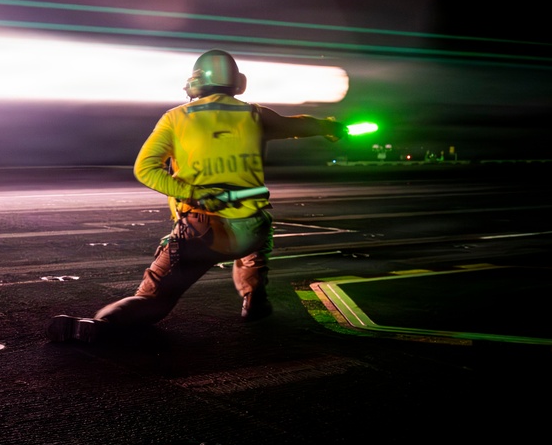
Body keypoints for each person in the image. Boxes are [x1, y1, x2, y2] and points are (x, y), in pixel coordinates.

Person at [47, 49, 347, 342]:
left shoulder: (176, 118)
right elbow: (301, 125)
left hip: (202, 231)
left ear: (195, 83)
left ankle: (100, 325)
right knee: (256, 236)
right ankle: (255, 298)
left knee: (151, 301)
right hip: (252, 229)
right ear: (237, 83)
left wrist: (193, 193)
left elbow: (145, 169)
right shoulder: (256, 115)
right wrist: (331, 127)